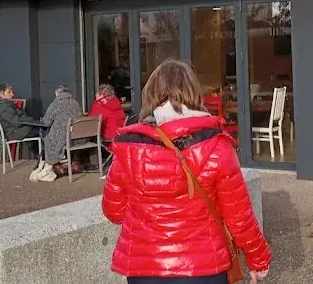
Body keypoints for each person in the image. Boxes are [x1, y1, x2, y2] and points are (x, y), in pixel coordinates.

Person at [102, 60, 272, 283]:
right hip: (204, 268)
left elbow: (113, 212)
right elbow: (239, 216)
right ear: (193, 91)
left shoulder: (128, 149)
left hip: (145, 269)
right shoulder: (216, 146)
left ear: (152, 94)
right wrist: (258, 259)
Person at [30, 85, 84, 182]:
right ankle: (64, 164)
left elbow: (46, 122)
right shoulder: (75, 103)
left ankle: (50, 165)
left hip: (63, 139)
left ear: (57, 94)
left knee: (48, 138)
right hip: (77, 138)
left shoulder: (56, 104)